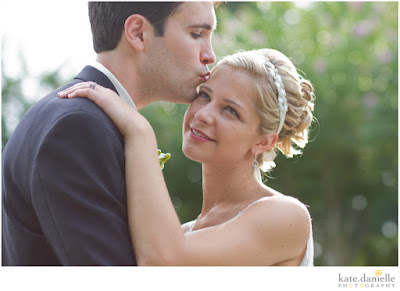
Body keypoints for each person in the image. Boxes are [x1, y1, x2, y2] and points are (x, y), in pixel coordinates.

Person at [2, 1, 216, 266]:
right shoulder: (76, 128)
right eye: (197, 34)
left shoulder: (80, 118)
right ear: (138, 33)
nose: (210, 55)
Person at [59, 48, 316, 266]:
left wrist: (140, 132)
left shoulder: (286, 216)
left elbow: (164, 262)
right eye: (205, 95)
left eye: (230, 110)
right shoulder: (183, 233)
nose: (203, 114)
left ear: (264, 141)